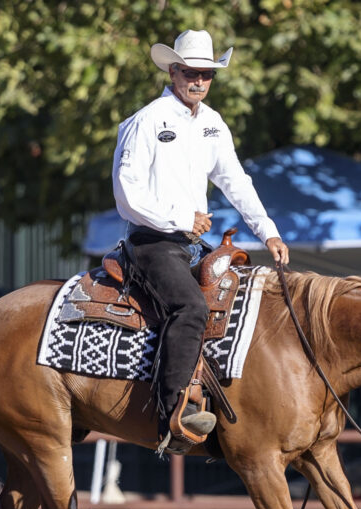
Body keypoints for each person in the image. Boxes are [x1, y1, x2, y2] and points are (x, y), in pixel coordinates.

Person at [112, 29, 290, 448]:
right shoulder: (146, 120)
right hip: (151, 242)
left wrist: (269, 231)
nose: (199, 81)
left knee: (242, 298)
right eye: (191, 72)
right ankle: (174, 415)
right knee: (190, 307)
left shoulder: (212, 123)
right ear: (173, 71)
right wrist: (180, 218)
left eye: (207, 74)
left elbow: (235, 181)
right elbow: (126, 192)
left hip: (189, 243)